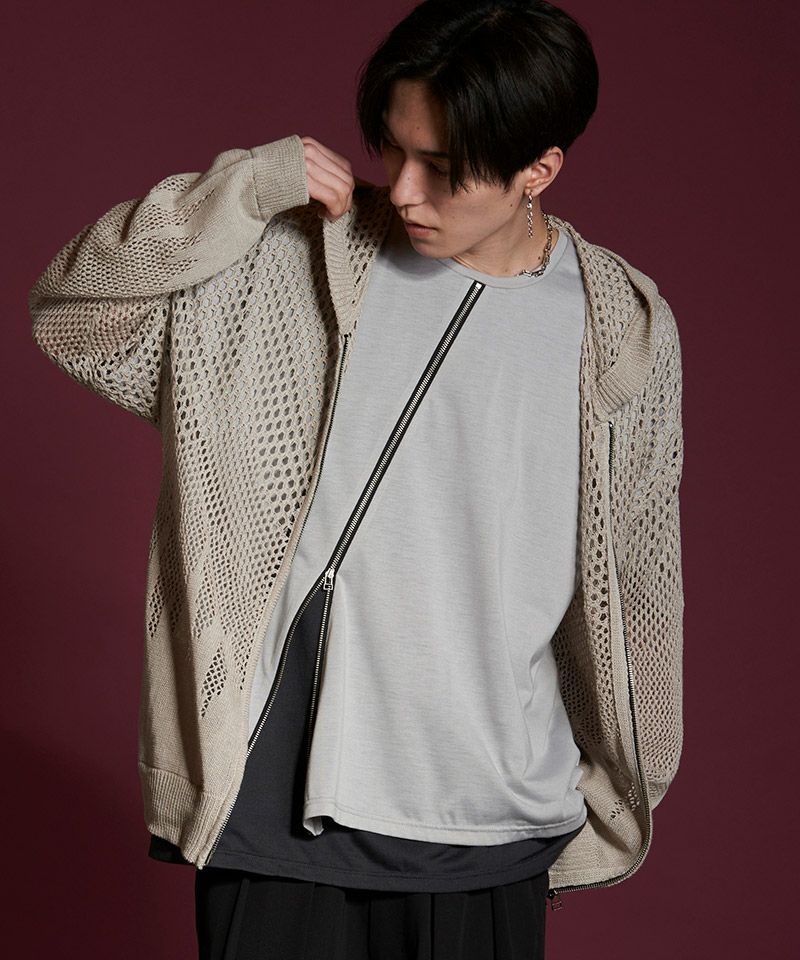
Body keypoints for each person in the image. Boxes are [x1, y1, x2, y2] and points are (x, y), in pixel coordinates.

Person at [27, 1, 685, 957]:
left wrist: (623, 785)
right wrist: (237, 194)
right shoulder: (299, 252)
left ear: (539, 170)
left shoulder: (620, 329)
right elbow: (77, 313)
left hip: (485, 812)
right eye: (393, 149)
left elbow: (641, 583)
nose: (406, 190)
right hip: (279, 803)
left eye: (444, 169)